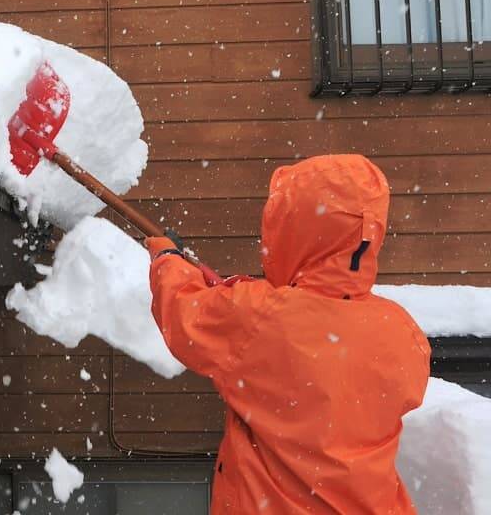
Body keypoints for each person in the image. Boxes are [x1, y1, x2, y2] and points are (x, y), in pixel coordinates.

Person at [147, 153, 429, 514]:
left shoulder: (262, 315)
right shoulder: (401, 329)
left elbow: (185, 314)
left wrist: (166, 260)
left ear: (295, 231)